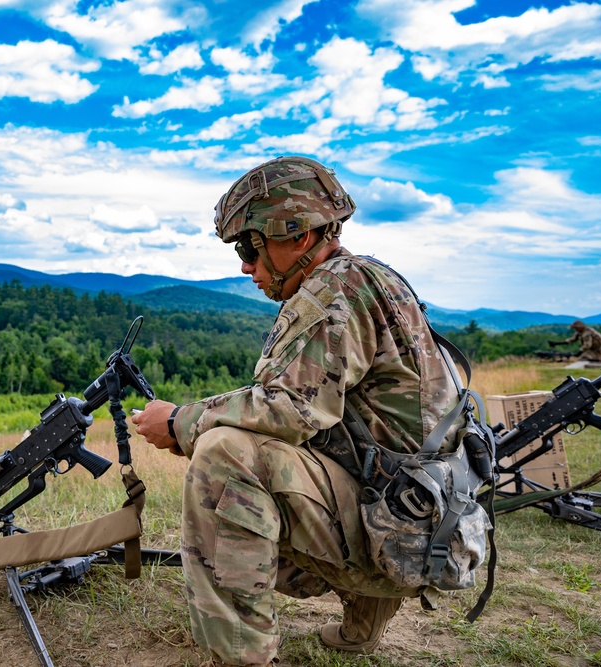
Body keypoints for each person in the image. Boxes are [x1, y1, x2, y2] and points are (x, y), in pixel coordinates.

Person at [131, 156, 464, 667]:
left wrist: (181, 421)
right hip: (419, 517)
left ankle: (241, 656)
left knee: (225, 456)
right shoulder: (368, 277)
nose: (245, 266)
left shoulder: (331, 294)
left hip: (398, 529)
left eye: (250, 247)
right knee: (292, 451)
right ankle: (362, 622)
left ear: (299, 238)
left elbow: (290, 411)